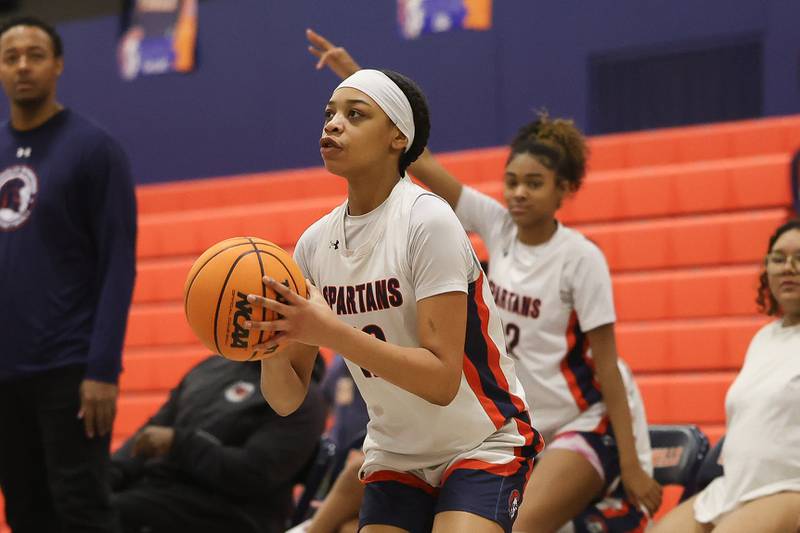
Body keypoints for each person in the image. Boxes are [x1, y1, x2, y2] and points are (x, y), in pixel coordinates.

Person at [304, 28, 661, 533]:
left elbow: (610, 370)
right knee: (357, 476)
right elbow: (415, 158)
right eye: (511, 181)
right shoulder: (496, 226)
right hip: (504, 416)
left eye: (533, 184)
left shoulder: (581, 259)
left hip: (575, 424)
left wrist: (632, 463)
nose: (517, 193)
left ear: (563, 191)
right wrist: (359, 79)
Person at [247, 65, 542, 533]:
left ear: (397, 138)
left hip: (482, 439)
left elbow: (442, 381)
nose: (333, 123)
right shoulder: (312, 245)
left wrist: (330, 332)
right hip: (396, 453)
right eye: (329, 113)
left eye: (355, 114)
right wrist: (267, 343)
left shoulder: (428, 221)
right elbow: (285, 400)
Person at [0, 16, 136, 533]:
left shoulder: (94, 150)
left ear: (57, 64)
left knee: (80, 510)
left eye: (34, 54)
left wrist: (103, 368)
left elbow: (118, 265)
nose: (22, 66)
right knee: (24, 512)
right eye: (10, 57)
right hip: (5, 373)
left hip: (71, 370)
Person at [652, 220, 800, 533]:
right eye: (778, 259)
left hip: (790, 486)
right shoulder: (764, 338)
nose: (789, 267)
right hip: (733, 487)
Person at [110, 355, 327, 533]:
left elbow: (254, 474)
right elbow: (149, 435)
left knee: (106, 513)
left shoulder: (304, 399)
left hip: (232, 511)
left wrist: (179, 443)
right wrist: (108, 474)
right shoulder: (211, 366)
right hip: (160, 491)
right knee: (87, 500)